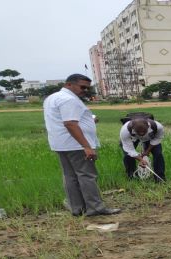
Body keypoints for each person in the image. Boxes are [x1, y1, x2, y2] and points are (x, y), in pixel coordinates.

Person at [43, 73, 120, 217]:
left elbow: (65, 119)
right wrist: (86, 146)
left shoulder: (53, 98)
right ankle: (95, 208)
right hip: (76, 145)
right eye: (82, 87)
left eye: (87, 88)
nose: (85, 90)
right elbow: (70, 124)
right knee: (87, 176)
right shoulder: (68, 99)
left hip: (61, 144)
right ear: (69, 84)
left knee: (70, 176)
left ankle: (77, 208)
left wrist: (89, 119)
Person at [119, 117, 166, 182]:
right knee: (128, 156)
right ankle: (131, 177)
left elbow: (157, 139)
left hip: (149, 138)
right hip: (133, 138)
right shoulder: (125, 131)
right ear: (133, 128)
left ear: (148, 126)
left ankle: (160, 178)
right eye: (138, 131)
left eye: (144, 131)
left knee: (158, 154)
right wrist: (141, 159)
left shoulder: (157, 127)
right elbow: (129, 149)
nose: (141, 134)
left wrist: (147, 151)